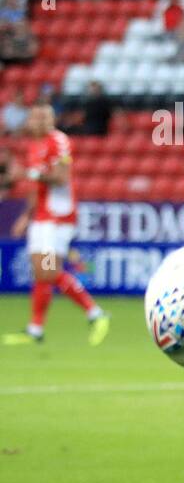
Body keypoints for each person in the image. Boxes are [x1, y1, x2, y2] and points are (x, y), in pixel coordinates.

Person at [3, 103, 110, 347]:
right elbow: (36, 187)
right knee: (41, 273)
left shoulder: (59, 141)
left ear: (51, 119)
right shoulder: (34, 145)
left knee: (49, 271)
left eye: (44, 117)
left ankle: (95, 313)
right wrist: (26, 215)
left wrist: (27, 174)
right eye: (35, 117)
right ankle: (35, 329)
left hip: (58, 219)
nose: (39, 121)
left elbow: (60, 177)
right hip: (41, 219)